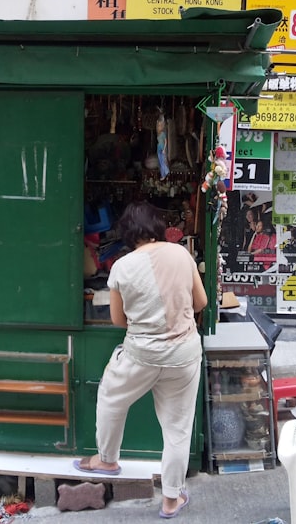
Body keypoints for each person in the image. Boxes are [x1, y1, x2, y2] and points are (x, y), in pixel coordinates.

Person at [73, 201, 209, 519]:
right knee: (177, 429)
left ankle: (107, 458)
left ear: (128, 233)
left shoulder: (122, 266)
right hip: (184, 354)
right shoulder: (181, 253)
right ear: (158, 227)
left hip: (142, 354)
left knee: (110, 396)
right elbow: (201, 302)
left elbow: (119, 321)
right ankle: (171, 499)